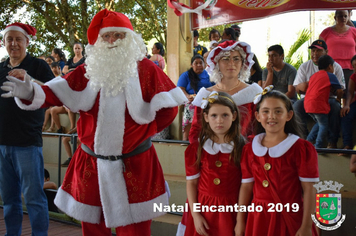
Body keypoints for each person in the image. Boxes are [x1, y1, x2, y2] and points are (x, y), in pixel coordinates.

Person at [1, 10, 187, 236]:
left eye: (118, 36)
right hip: (91, 163)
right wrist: (29, 90)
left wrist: (142, 133)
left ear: (129, 39)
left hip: (135, 163)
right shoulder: (88, 70)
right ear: (98, 40)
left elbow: (169, 109)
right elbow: (55, 92)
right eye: (106, 36)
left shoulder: (147, 70)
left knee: (135, 230)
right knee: (92, 228)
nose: (111, 41)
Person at [235, 88, 319, 236]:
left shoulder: (301, 148)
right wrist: (240, 221)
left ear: (289, 115)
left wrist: (306, 226)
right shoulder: (250, 149)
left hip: (291, 216)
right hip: (259, 218)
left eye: (278, 111)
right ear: (258, 116)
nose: (271, 116)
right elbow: (246, 188)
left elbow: (309, 189)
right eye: (265, 111)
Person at [0, 22, 54, 235]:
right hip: (2, 143)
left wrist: (29, 80)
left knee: (34, 199)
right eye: (9, 39)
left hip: (27, 143)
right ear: (4, 42)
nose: (13, 43)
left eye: (18, 39)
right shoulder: (1, 67)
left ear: (27, 42)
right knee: (9, 199)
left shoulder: (38, 65)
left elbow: (53, 93)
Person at [184, 91, 244, 236]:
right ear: (206, 117)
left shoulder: (243, 148)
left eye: (225, 115)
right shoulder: (197, 148)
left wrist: (241, 219)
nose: (219, 121)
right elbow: (192, 183)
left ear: (234, 116)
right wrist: (196, 215)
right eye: (214, 116)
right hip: (203, 209)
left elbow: (246, 186)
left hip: (232, 210)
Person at [189, 40, 262, 143]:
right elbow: (196, 132)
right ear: (217, 63)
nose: (231, 63)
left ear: (242, 63)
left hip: (245, 154)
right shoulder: (205, 95)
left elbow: (259, 130)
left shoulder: (254, 93)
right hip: (212, 154)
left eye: (236, 59)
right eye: (226, 59)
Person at [293, 40, 345, 147]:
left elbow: (341, 90)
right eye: (313, 51)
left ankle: (332, 141)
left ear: (326, 51)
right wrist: (302, 87)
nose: (315, 53)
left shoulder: (336, 67)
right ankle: (307, 141)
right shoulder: (304, 66)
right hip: (311, 100)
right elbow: (298, 88)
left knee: (334, 107)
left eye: (318, 51)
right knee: (297, 106)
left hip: (327, 99)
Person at [305, 55, 343, 148]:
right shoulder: (330, 75)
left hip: (307, 104)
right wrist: (338, 99)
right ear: (330, 66)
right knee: (324, 126)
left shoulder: (314, 76)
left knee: (319, 123)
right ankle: (318, 146)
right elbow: (340, 91)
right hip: (318, 105)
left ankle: (308, 142)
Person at [177, 54, 214, 141]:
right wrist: (187, 96)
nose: (198, 65)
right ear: (191, 65)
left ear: (204, 64)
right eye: (196, 63)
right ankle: (186, 138)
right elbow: (180, 88)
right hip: (192, 101)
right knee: (191, 106)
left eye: (200, 63)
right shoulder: (186, 75)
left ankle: (206, 138)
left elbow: (216, 87)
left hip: (207, 100)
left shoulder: (209, 75)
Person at [320, 10, 356, 91]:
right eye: (340, 16)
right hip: (331, 68)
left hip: (350, 68)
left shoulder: (354, 31)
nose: (343, 18)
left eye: (345, 16)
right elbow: (321, 50)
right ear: (335, 17)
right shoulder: (326, 32)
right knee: (333, 93)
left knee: (349, 93)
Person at [340, 55, 356, 153]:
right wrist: (347, 105)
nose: (355, 69)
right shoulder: (353, 76)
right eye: (354, 66)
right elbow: (350, 92)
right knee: (346, 115)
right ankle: (347, 144)